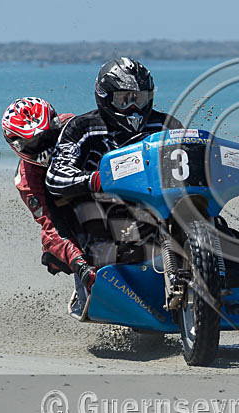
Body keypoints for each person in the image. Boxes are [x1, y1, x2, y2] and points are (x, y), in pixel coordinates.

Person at [45, 58, 183, 317]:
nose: (133, 107)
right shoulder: (81, 128)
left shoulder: (167, 125)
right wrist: (96, 180)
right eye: (123, 99)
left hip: (158, 205)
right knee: (117, 247)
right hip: (101, 213)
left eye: (139, 99)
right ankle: (97, 282)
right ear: (104, 97)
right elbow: (55, 177)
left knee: (226, 238)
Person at [2, 97, 97, 318]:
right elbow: (51, 226)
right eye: (34, 143)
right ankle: (86, 278)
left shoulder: (77, 126)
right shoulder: (27, 181)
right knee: (52, 248)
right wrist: (80, 264)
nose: (44, 146)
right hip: (72, 216)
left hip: (103, 187)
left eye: (47, 136)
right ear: (17, 145)